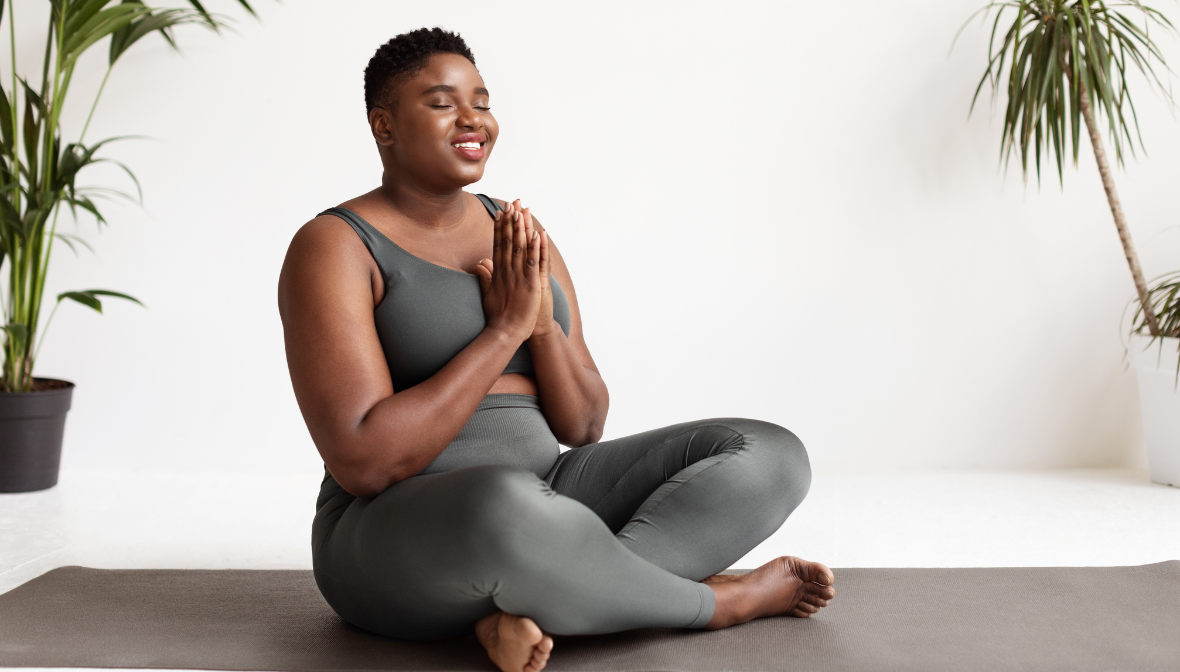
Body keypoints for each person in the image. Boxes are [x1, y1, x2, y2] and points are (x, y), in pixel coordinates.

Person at [277, 27, 835, 672]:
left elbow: (585, 424)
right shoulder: (335, 246)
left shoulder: (516, 232)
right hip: (396, 531)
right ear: (385, 125)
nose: (472, 120)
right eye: (441, 103)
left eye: (482, 102)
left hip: (549, 498)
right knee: (506, 506)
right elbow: (365, 463)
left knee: (770, 455)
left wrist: (541, 328)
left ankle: (529, 611)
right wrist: (504, 332)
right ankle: (713, 604)